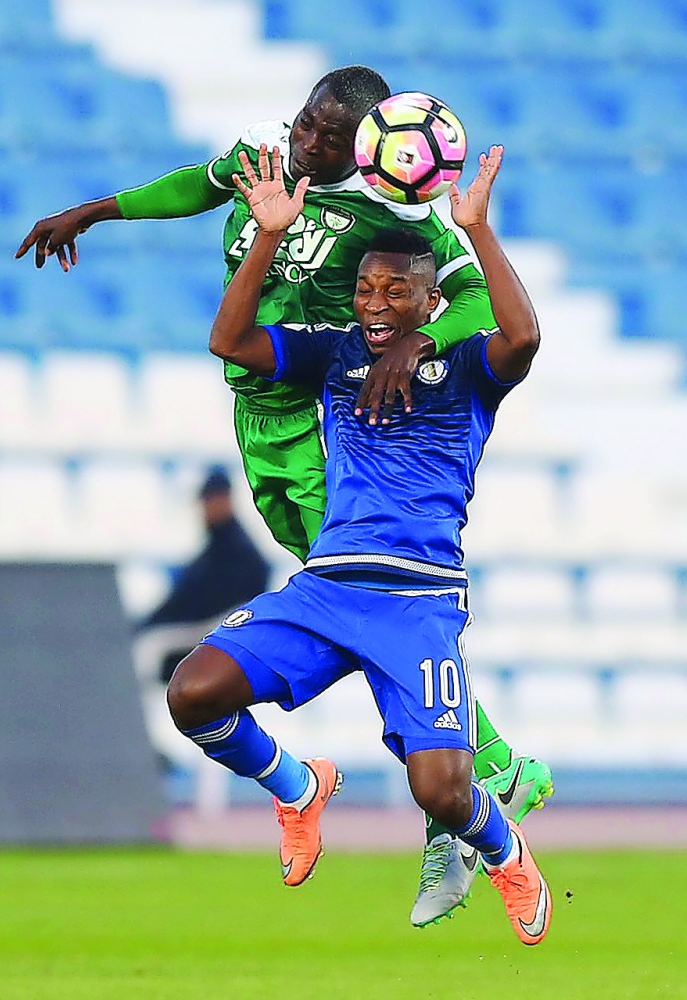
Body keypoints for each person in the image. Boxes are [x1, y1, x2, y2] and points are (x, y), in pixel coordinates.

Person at [15, 65, 552, 925]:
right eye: (306, 123)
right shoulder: (262, 168)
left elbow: (474, 301)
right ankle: (329, 783)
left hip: (315, 413)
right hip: (254, 417)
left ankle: (479, 774)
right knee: (324, 583)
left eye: (330, 138)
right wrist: (97, 211)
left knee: (351, 580)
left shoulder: (389, 221)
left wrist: (406, 349)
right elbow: (196, 184)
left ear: (368, 150)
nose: (308, 141)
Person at [166, 143, 551, 945]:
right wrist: (268, 235)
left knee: (441, 793)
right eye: (365, 288)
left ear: (427, 300)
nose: (374, 303)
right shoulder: (332, 352)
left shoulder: (468, 366)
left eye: (395, 290)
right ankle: (296, 786)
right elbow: (230, 343)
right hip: (328, 587)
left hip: (415, 599)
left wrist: (475, 231)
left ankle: (506, 853)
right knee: (192, 692)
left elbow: (523, 337)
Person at [139, 466, 270, 682]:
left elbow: (208, 604)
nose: (206, 508)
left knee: (148, 648)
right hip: (200, 631)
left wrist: (154, 623)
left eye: (211, 500)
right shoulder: (218, 546)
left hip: (218, 633)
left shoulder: (238, 551)